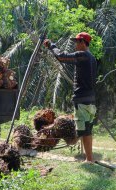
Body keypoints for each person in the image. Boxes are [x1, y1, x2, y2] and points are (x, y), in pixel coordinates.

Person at [43, 32, 97, 163]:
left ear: (83, 43)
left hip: (82, 99)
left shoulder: (82, 55)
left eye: (77, 42)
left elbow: (61, 57)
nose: (75, 45)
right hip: (90, 98)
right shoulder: (92, 58)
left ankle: (89, 159)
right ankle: (88, 158)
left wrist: (51, 45)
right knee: (87, 129)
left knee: (84, 130)